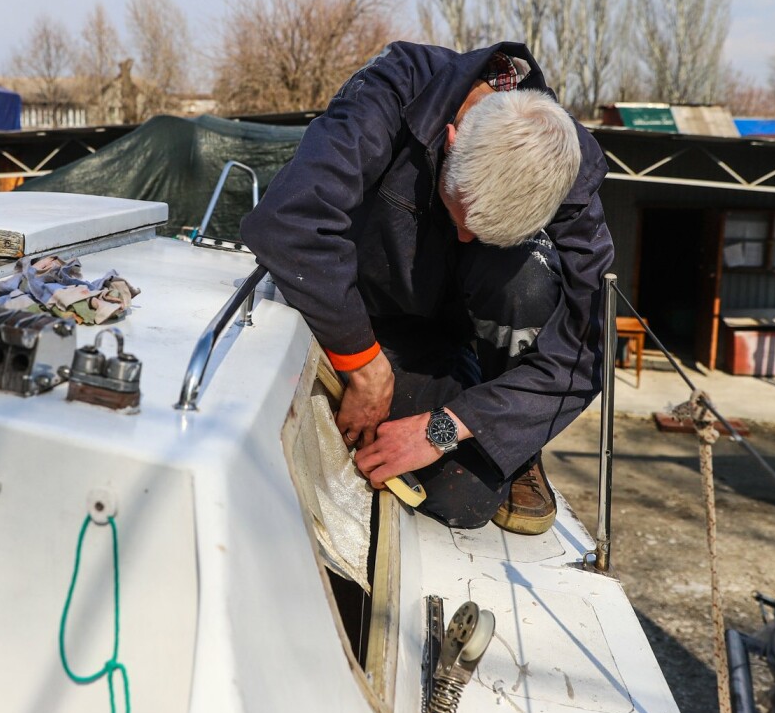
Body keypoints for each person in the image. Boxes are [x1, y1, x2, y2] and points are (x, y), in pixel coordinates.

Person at [240, 41, 614, 535]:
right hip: (355, 312)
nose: (464, 239)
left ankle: (517, 437)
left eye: (480, 236)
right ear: (453, 139)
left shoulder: (567, 165)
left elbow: (589, 346)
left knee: (468, 498)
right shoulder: (393, 90)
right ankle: (382, 367)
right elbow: (289, 220)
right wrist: (362, 362)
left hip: (451, 341)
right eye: (459, 215)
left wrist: (448, 426)